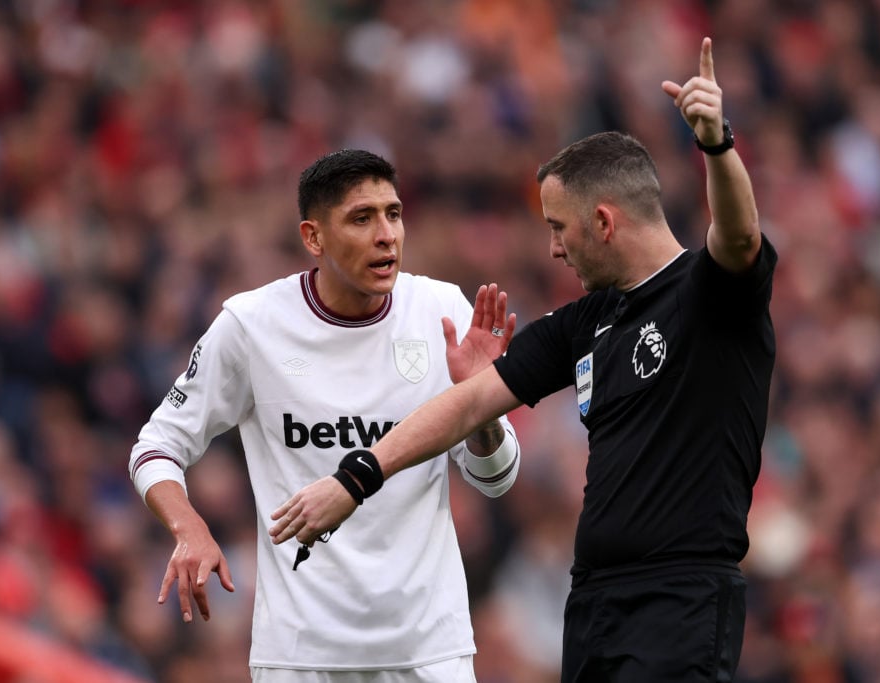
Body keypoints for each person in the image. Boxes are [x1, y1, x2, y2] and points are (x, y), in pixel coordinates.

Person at [271, 37, 776, 682]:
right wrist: (356, 478)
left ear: (603, 221)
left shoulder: (708, 296)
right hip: (595, 603)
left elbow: (738, 237)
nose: (554, 249)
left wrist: (716, 144)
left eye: (558, 228)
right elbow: (470, 403)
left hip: (680, 601)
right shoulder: (585, 324)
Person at [128, 149, 521, 682]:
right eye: (362, 218)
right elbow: (156, 445)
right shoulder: (252, 325)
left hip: (428, 650)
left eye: (394, 213)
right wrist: (189, 527)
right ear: (313, 238)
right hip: (301, 655)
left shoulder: (441, 310)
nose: (387, 235)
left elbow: (495, 479)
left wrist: (481, 404)